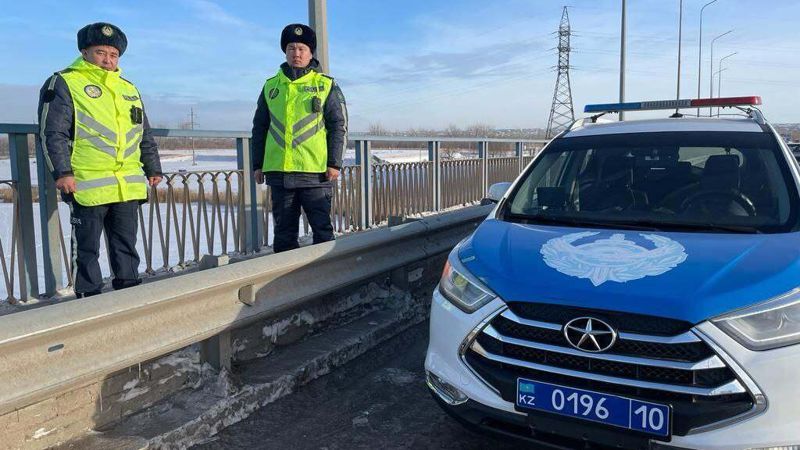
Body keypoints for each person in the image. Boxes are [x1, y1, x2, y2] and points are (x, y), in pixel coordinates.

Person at [36, 22, 162, 298]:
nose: (108, 60)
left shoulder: (128, 88)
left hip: (126, 186)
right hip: (87, 184)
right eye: (101, 52)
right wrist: (62, 172)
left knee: (126, 248)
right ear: (85, 52)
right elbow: (53, 132)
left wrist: (153, 166)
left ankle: (128, 296)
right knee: (86, 251)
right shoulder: (65, 82)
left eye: (113, 55)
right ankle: (89, 302)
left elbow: (143, 132)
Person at [251, 23, 348, 253]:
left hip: (315, 172)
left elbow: (338, 126)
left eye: (302, 49)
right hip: (280, 172)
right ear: (285, 52)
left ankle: (326, 273)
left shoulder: (325, 85)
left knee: (322, 231)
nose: (296, 53)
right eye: (291, 48)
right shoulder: (271, 86)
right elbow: (259, 128)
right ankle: (289, 275)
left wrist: (334, 163)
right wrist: (258, 164)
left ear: (311, 52)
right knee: (283, 233)